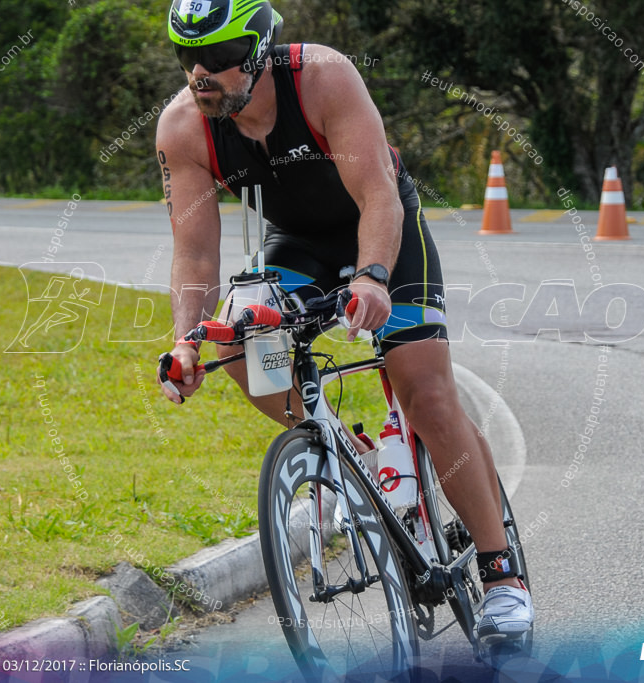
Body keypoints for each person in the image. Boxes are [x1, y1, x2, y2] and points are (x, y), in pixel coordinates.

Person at [155, 0, 533, 645]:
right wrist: (187, 341)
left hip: (382, 231)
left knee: (425, 391)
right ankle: (350, 459)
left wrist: (373, 277)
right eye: (189, 59)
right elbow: (194, 255)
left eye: (219, 59)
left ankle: (502, 577)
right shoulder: (183, 127)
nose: (202, 74)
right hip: (298, 243)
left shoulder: (322, 76)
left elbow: (378, 194)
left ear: (261, 49)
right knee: (240, 342)